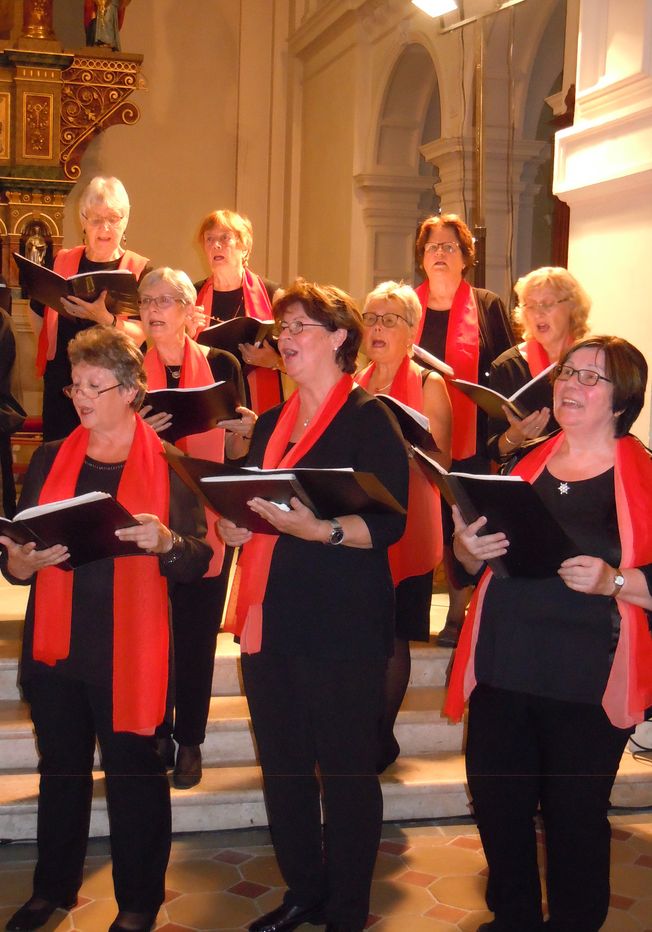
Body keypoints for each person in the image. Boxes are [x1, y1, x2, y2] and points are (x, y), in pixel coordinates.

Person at [1, 327, 211, 932]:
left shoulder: (169, 465)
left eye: (96, 385)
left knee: (136, 779)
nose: (81, 397)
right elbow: (18, 548)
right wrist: (18, 563)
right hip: (57, 645)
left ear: (131, 391)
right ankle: (52, 891)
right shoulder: (49, 457)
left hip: (130, 652)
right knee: (60, 771)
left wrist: (166, 541)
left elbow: (198, 560)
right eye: (75, 384)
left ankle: (140, 903)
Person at [218, 280, 409, 932]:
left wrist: (320, 531)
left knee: (348, 774)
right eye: (283, 327)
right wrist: (232, 528)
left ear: (339, 338)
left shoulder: (368, 420)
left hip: (343, 626)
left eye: (300, 327)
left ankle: (347, 909)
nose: (285, 339)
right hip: (272, 619)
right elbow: (247, 507)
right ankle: (304, 890)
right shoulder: (269, 424)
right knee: (286, 770)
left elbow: (389, 526)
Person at [445, 335, 652, 932]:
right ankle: (512, 919)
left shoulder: (643, 476)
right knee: (498, 808)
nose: (571, 385)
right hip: (504, 665)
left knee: (575, 819)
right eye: (568, 372)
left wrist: (616, 581)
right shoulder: (522, 463)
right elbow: (469, 560)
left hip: (586, 678)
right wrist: (466, 546)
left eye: (592, 378)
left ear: (622, 400)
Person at [138, 267, 249, 789]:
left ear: (187, 311)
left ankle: (191, 741)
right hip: (149, 516)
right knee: (152, 629)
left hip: (207, 516)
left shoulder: (222, 365)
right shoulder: (131, 365)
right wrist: (140, 433)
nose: (153, 309)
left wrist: (242, 435)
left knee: (196, 633)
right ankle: (156, 727)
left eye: (165, 300)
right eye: (145, 300)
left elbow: (242, 452)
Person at [356, 281, 451, 772]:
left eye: (390, 319)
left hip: (410, 522)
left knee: (393, 635)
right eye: (371, 317)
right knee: (362, 631)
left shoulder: (430, 384)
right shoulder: (353, 381)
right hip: (361, 519)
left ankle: (381, 735)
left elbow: (444, 460)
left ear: (411, 331)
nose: (377, 327)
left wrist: (408, 440)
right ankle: (360, 730)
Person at [413, 213, 516, 647]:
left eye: (449, 247)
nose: (439, 253)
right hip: (416, 434)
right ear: (421, 257)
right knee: (418, 519)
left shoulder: (486, 303)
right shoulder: (406, 303)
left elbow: (508, 367)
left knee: (464, 520)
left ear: (465, 258)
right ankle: (412, 611)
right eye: (432, 246)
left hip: (471, 435)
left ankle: (458, 611)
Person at [30, 176, 149, 442]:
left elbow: (142, 334)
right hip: (64, 386)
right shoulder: (61, 261)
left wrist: (104, 318)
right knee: (60, 459)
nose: (105, 227)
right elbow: (37, 312)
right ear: (83, 221)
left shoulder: (139, 270)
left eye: (113, 218)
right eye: (96, 219)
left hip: (115, 388)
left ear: (125, 221)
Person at [487, 266, 591, 462]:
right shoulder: (507, 366)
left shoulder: (595, 360)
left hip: (584, 474)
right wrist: (515, 436)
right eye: (530, 305)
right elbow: (495, 450)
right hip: (528, 480)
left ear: (573, 307)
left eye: (547, 304)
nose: (538, 314)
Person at [194, 209, 282, 413]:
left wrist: (275, 362)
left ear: (245, 247)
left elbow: (300, 353)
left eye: (225, 238)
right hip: (209, 402)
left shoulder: (273, 295)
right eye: (209, 239)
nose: (216, 245)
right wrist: (185, 335)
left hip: (257, 405)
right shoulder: (192, 295)